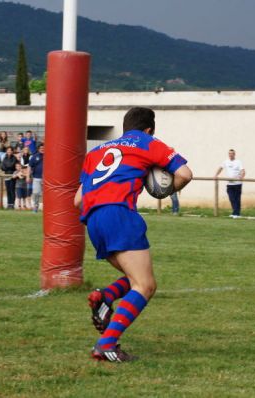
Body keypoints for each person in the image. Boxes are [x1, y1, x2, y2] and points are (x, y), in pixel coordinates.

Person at [74, 107, 192, 362]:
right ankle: (106, 344)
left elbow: (77, 199)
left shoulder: (97, 151)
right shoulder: (148, 142)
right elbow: (185, 174)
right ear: (149, 129)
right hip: (119, 214)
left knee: (136, 276)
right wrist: (167, 190)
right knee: (145, 285)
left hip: (93, 219)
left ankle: (105, 297)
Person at [215, 149, 245, 218]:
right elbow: (220, 168)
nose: (231, 155)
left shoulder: (238, 162)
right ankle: (235, 212)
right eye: (229, 154)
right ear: (228, 154)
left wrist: (242, 176)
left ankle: (237, 213)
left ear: (234, 154)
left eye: (232, 153)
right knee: (231, 198)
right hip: (230, 184)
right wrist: (216, 175)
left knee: (237, 199)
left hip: (237, 183)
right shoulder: (226, 162)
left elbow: (243, 170)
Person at [29, 143, 44, 212]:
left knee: (47, 194)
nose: (42, 149)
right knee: (36, 193)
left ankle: (47, 207)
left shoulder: (49, 156)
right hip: (36, 178)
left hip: (47, 179)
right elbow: (30, 166)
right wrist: (28, 176)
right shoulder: (34, 157)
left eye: (43, 148)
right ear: (38, 149)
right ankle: (35, 207)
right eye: (41, 148)